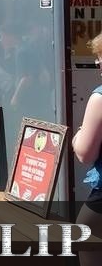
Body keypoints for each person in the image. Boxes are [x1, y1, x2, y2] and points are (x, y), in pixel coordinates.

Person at [74, 33, 102, 266]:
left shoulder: (100, 98)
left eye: (100, 56)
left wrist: (78, 135)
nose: (97, 61)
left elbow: (85, 153)